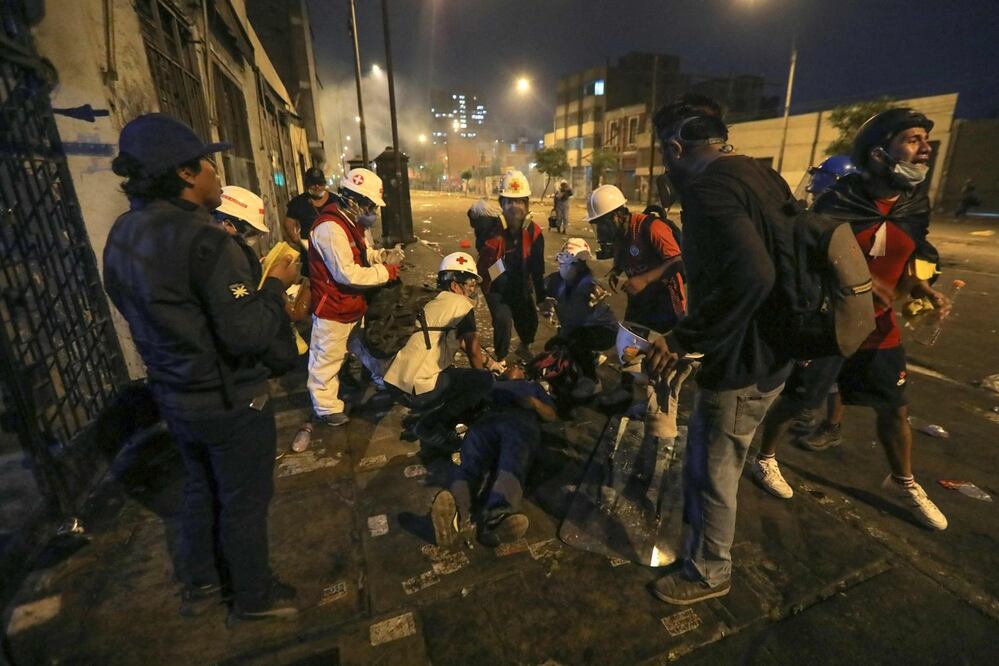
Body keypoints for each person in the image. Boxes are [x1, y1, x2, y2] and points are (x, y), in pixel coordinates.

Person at [102, 113, 300, 623]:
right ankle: (254, 596)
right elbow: (247, 334)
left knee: (199, 486)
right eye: (209, 164)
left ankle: (202, 581)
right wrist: (275, 285)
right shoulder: (208, 243)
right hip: (230, 399)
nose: (218, 174)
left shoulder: (123, 234)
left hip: (173, 394)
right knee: (243, 499)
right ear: (186, 174)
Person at [754, 108, 949, 531]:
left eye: (925, 139)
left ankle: (906, 482)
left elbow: (915, 252)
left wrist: (922, 288)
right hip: (833, 325)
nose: (925, 147)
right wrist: (852, 286)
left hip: (882, 327)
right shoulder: (837, 202)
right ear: (880, 152)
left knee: (895, 408)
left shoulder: (915, 202)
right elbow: (803, 265)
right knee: (800, 399)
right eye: (913, 139)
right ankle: (764, 457)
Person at [643, 94, 795, 605]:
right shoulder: (759, 173)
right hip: (777, 352)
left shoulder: (708, 189)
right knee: (726, 455)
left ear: (675, 147)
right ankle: (708, 545)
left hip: (741, 360)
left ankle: (709, 570)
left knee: (713, 469)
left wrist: (687, 338)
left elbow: (754, 274)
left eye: (666, 156)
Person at [308, 167, 400, 426]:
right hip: (333, 308)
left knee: (365, 346)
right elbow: (346, 274)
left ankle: (384, 379)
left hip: (352, 304)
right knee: (327, 358)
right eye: (370, 206)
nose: (372, 212)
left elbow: (362, 252)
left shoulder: (351, 223)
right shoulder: (330, 228)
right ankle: (326, 407)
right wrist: (386, 272)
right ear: (354, 201)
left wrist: (380, 256)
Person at [430, 367, 557, 548]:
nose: (513, 367)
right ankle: (455, 513)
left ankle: (497, 518)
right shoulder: (492, 384)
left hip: (520, 423)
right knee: (471, 461)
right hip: (487, 422)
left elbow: (551, 416)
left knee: (511, 465)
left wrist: (534, 403)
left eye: (519, 366)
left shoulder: (533, 387)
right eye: (508, 366)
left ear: (524, 374)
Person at [383, 252, 500, 445]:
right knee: (479, 382)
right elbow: (472, 349)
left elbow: (459, 341)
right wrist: (484, 385)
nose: (472, 291)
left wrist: (491, 363)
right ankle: (430, 425)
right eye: (470, 284)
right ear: (455, 285)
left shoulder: (432, 298)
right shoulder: (460, 304)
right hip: (417, 389)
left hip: (394, 382)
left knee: (450, 373)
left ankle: (426, 414)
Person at [584, 184, 685, 335]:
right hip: (639, 298)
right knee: (631, 343)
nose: (601, 231)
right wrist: (616, 271)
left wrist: (643, 280)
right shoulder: (619, 233)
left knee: (663, 348)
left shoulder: (651, 227)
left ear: (617, 215)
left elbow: (678, 260)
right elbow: (624, 254)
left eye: (603, 224)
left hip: (665, 299)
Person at [477, 169, 546, 362]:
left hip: (521, 285)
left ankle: (524, 347)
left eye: (520, 201)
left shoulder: (534, 232)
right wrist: (476, 210)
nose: (515, 206)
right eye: (510, 201)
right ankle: (501, 358)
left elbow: (538, 269)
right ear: (502, 204)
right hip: (496, 286)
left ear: (526, 204)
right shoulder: (490, 227)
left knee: (529, 320)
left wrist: (541, 297)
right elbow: (476, 221)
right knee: (503, 321)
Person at [538, 237, 617, 400]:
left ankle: (592, 381)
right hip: (574, 329)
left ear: (581, 264)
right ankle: (591, 357)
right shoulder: (552, 281)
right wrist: (545, 306)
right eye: (563, 263)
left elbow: (593, 292)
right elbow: (544, 301)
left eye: (571, 263)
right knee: (553, 346)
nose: (565, 267)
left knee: (575, 341)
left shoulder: (588, 283)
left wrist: (596, 294)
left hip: (604, 330)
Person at [282, 167, 331, 277]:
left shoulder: (335, 201)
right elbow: (289, 221)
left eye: (319, 183)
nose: (316, 186)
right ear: (306, 185)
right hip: (309, 253)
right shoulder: (298, 202)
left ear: (324, 184)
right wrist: (295, 238)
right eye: (312, 184)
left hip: (332, 249)